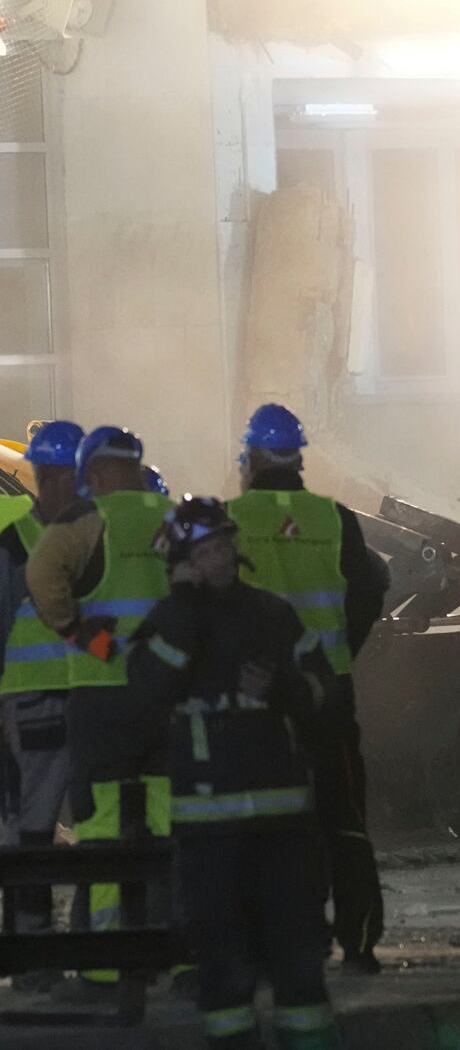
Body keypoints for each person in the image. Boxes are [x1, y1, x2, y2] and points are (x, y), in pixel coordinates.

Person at [128, 496, 340, 1049]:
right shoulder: (169, 622)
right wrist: (182, 602)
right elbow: (150, 691)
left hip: (282, 826)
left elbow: (321, 689)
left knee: (297, 960)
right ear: (183, 561)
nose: (220, 558)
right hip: (208, 832)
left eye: (224, 546)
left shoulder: (272, 613)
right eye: (206, 551)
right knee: (224, 966)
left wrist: (280, 690)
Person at [229, 403, 387, 974]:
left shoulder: (229, 519)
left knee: (263, 824)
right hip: (328, 693)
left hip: (256, 700)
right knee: (343, 818)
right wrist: (340, 649)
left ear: (249, 459)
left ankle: (281, 940)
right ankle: (361, 943)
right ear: (298, 459)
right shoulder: (335, 519)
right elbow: (372, 587)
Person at [25, 426, 175, 998]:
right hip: (163, 693)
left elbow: (42, 577)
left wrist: (79, 634)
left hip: (103, 691)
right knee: (165, 821)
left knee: (103, 827)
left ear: (97, 471)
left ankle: (105, 967)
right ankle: (170, 956)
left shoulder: (86, 521)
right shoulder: (174, 517)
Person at [0, 422, 84, 980]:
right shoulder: (33, 539)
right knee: (32, 822)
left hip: (53, 696)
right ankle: (33, 953)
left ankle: (33, 952)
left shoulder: (31, 537)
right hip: (44, 699)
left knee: (28, 823)